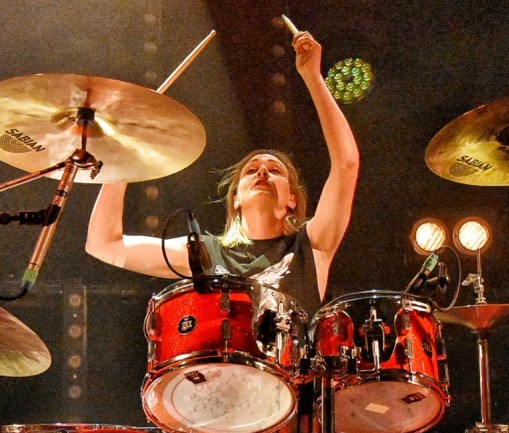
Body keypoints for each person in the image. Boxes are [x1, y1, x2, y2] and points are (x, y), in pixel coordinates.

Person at [85, 29, 359, 316]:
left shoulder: (310, 247)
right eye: (251, 170)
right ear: (236, 198)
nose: (262, 172)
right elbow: (104, 244)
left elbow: (346, 163)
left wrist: (313, 77)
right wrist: (124, 156)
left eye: (275, 170)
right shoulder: (205, 253)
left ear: (292, 199)